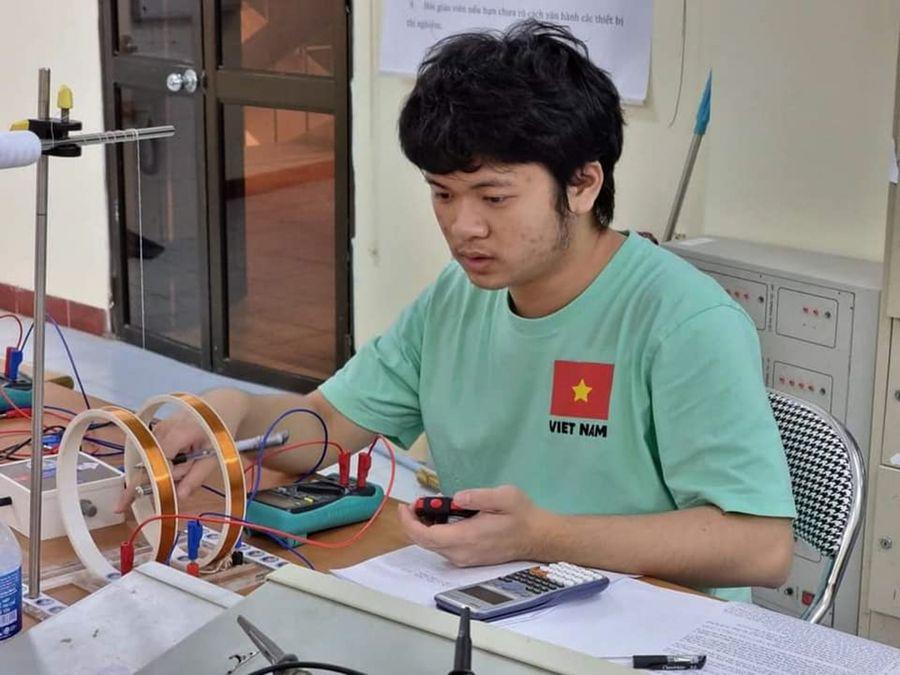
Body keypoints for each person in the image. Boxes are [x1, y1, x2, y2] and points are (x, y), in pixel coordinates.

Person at [118, 20, 795, 600]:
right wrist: (230, 412)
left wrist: (548, 536)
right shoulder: (457, 297)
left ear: (584, 183)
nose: (462, 225)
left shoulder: (682, 321)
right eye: (442, 194)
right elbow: (327, 427)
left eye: (493, 197)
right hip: (487, 608)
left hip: (645, 634)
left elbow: (760, 545)